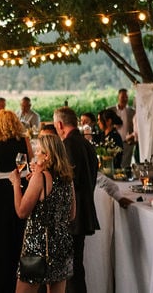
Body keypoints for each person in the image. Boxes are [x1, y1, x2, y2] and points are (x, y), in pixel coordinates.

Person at [10, 133, 76, 293]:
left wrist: (16, 183)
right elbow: (71, 214)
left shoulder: (41, 177)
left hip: (38, 245)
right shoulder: (68, 178)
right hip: (61, 244)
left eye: (38, 151)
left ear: (47, 155)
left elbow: (21, 212)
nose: (35, 154)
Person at [54, 107, 98, 293]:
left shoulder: (68, 144)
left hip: (73, 214)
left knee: (71, 269)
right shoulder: (85, 143)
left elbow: (69, 180)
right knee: (75, 266)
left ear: (60, 124)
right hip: (83, 210)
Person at [0, 110, 30, 293]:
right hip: (22, 188)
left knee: (1, 238)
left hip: (2, 193)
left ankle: (1, 283)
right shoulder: (25, 141)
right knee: (20, 233)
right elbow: (29, 165)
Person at [112, 89, 137, 165]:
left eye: (126, 97)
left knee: (126, 165)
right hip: (114, 143)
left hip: (127, 143)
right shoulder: (111, 110)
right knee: (114, 164)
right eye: (123, 97)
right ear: (118, 97)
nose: (125, 99)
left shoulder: (132, 111)